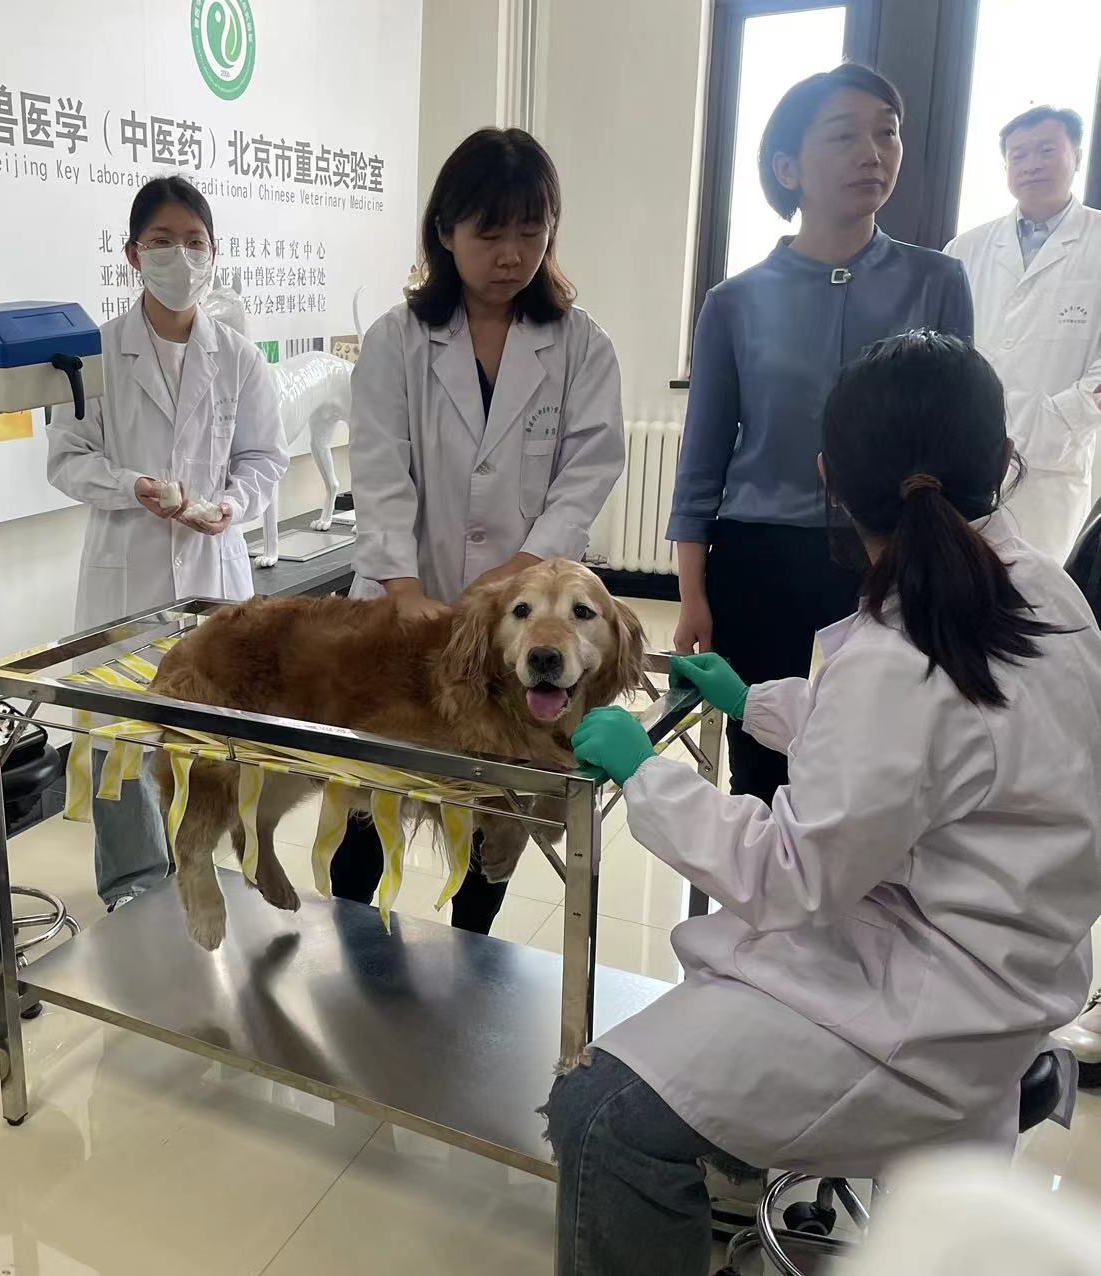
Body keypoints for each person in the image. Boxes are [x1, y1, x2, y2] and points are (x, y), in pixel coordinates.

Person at [550, 331, 1101, 1276]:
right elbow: (915, 757)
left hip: (923, 1016)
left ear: (827, 482)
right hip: (1007, 970)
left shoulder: (904, 652)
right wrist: (754, 703)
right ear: (1004, 458)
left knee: (599, 1113)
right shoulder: (1045, 592)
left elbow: (791, 875)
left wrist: (650, 774)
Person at [335, 127, 625, 934]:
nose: (512, 254)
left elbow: (588, 470)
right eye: (489, 233)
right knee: (372, 795)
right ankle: (350, 946)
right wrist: (401, 589)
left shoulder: (581, 345)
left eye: (532, 231)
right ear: (445, 231)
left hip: (520, 621)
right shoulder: (397, 340)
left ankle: (472, 950)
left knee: (499, 801)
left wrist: (520, 575)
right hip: (404, 607)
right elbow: (380, 469)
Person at [669, 65, 974, 807]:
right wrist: (692, 593)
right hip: (761, 555)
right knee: (762, 759)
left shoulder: (938, 283)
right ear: (787, 167)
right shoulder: (735, 302)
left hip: (896, 552)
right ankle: (764, 883)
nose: (873, 153)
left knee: (884, 759)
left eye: (886, 133)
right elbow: (702, 460)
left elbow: (960, 437)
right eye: (843, 136)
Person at [48, 176, 287, 909]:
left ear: (214, 253)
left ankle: (214, 870)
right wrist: (132, 487)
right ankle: (132, 885)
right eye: (162, 241)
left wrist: (232, 505)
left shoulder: (238, 357)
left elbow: (264, 458)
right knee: (121, 733)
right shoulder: (93, 354)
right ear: (132, 253)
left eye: (194, 242)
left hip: (214, 564)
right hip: (127, 565)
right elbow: (67, 458)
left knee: (217, 734)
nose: (180, 257)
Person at [946, 105, 1101, 561]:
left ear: (1075, 155)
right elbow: (941, 345)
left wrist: (1062, 418)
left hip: (1053, 463)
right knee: (962, 579)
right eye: (1019, 155)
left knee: (1037, 588)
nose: (1032, 164)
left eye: (1046, 150)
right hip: (967, 452)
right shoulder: (966, 249)